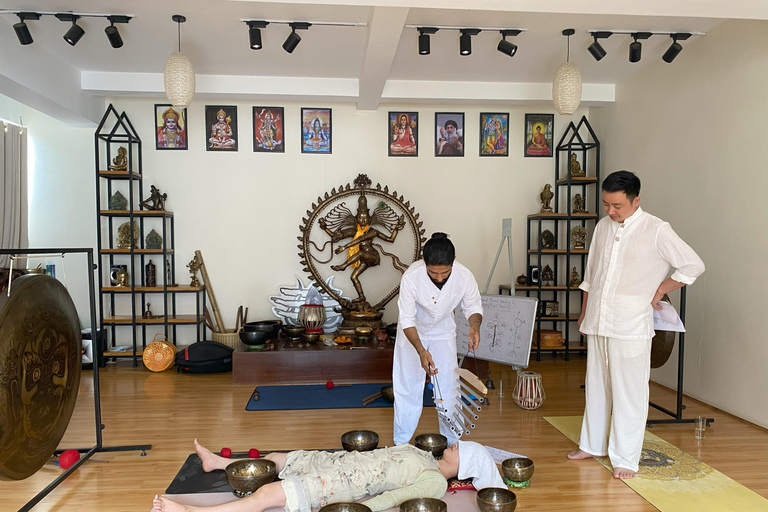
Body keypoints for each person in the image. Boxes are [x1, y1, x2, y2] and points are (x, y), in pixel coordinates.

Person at [567, 170, 704, 479]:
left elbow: (693, 264)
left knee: (629, 392)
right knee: (597, 386)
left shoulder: (657, 229)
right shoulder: (603, 226)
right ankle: (592, 444)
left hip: (630, 323)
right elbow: (592, 275)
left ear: (635, 200)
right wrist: (585, 313)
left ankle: (626, 458)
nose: (610, 211)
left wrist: (660, 289)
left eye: (617, 205)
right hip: (598, 320)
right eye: (606, 204)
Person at [151, 438, 504, 512]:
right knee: (276, 457)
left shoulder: (436, 480)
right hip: (338, 462)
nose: (455, 444)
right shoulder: (423, 451)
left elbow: (395, 498)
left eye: (462, 449)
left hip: (341, 484)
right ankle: (215, 463)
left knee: (265, 497)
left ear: (465, 466)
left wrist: (364, 509)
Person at [393, 233, 483, 446]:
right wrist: (421, 350)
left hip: (443, 332)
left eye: (445, 272)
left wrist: (474, 326)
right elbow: (406, 319)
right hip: (412, 333)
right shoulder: (411, 277)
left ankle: (452, 443)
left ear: (453, 262)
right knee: (408, 385)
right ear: (424, 262)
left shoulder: (464, 275)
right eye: (434, 273)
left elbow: (473, 307)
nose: (440, 278)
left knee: (449, 386)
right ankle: (402, 443)